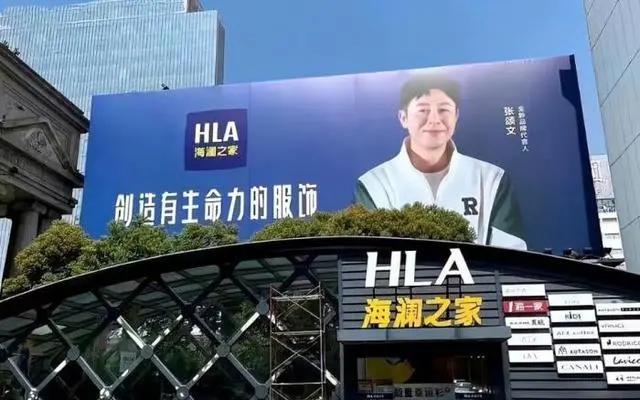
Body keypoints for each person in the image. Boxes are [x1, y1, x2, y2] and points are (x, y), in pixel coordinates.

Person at [355, 74, 527, 250]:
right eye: (423, 110)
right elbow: (367, 255)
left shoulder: (491, 179)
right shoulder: (374, 184)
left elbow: (512, 253)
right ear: (403, 118)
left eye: (444, 110)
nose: (434, 120)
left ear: (456, 115)